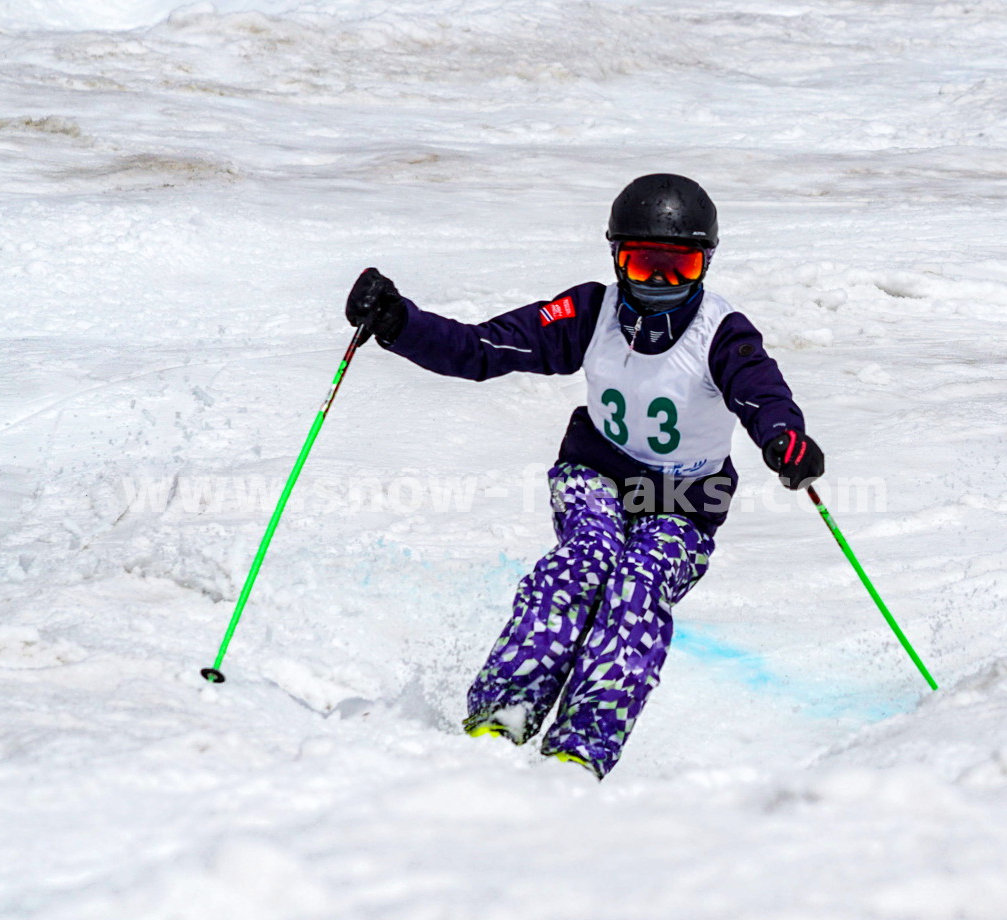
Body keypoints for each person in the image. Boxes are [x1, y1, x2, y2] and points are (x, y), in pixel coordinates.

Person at [345, 174, 824, 779]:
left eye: (678, 268)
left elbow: (762, 394)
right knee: (586, 560)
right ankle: (505, 710)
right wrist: (397, 323)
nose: (657, 283)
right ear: (615, 257)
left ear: (706, 264)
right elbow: (482, 348)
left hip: (684, 501)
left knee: (639, 586)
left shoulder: (721, 334)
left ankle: (580, 747)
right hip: (595, 470)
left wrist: (785, 440)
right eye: (641, 263)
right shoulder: (589, 312)